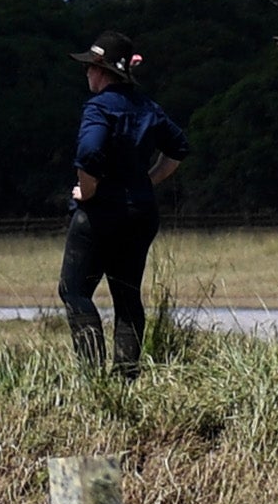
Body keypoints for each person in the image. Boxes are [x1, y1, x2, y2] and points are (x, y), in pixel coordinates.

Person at [61, 32, 188, 376]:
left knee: (74, 290)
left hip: (102, 213)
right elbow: (178, 148)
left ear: (103, 72)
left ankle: (92, 377)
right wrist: (149, 180)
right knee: (127, 296)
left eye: (90, 67)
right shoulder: (147, 107)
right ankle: (126, 378)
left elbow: (88, 153)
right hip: (141, 213)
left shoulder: (99, 108)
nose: (86, 73)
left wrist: (87, 191)